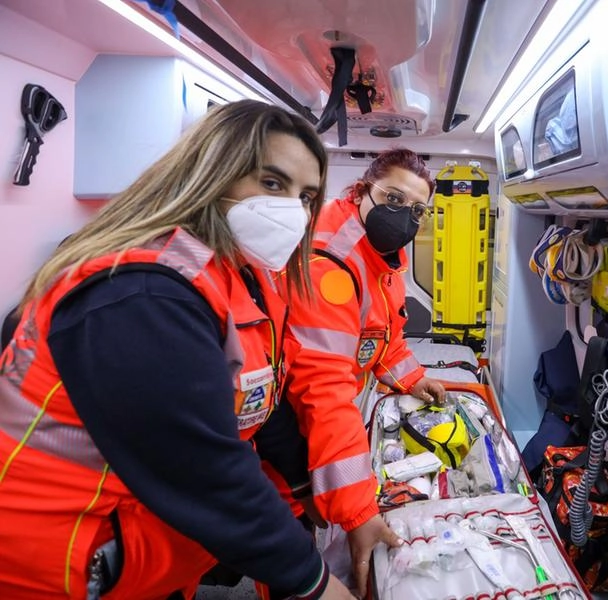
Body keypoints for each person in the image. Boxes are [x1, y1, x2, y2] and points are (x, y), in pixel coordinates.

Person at [0, 100, 355, 600]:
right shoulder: (143, 295)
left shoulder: (237, 276)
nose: (292, 211)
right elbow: (205, 471)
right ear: (212, 173)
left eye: (306, 196)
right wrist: (314, 583)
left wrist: (304, 490)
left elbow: (259, 395)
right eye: (271, 183)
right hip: (62, 563)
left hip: (148, 545)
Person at [274, 148, 447, 595]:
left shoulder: (379, 256)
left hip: (317, 430)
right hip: (283, 441)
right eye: (393, 199)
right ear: (359, 191)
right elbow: (323, 391)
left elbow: (382, 336)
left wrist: (412, 378)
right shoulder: (331, 263)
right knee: (289, 565)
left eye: (416, 210)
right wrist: (358, 512)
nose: (404, 216)